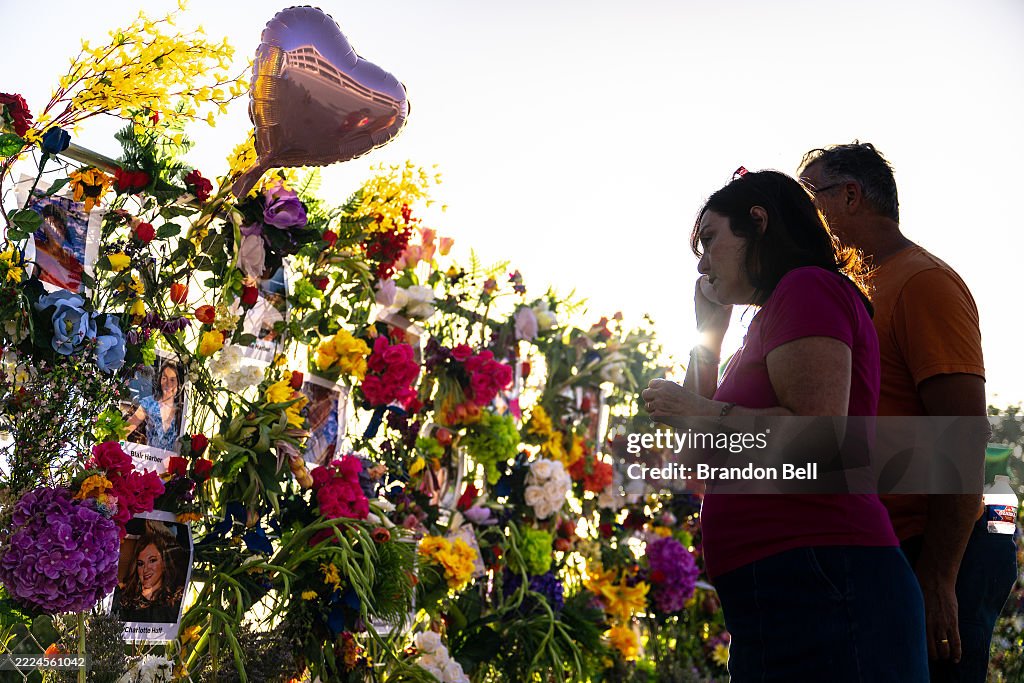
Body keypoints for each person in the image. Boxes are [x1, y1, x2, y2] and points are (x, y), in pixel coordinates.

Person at [641, 169, 928, 681]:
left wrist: (700, 409)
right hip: (776, 591)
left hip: (825, 579)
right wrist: (708, 336)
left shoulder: (808, 288)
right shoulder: (766, 322)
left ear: (758, 222)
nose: (703, 263)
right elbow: (695, 461)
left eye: (709, 240)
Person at [799, 142, 1016, 682]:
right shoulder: (858, 289)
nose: (798, 216)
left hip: (952, 540)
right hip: (899, 542)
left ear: (850, 197)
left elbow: (967, 435)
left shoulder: (922, 281)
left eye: (807, 198)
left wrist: (940, 576)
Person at [112, 526, 187, 623]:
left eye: (152, 560)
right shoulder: (122, 600)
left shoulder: (176, 602)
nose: (145, 569)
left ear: (164, 563)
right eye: (140, 564)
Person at [125, 361, 184, 451]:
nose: (168, 383)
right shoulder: (149, 403)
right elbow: (124, 430)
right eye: (164, 378)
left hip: (172, 463)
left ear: (178, 384)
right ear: (160, 380)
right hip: (149, 460)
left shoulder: (182, 411)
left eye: (172, 380)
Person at [33, 202, 84, 291]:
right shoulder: (35, 247)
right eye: (49, 227)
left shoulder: (74, 264)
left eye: (59, 227)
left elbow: (76, 290)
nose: (54, 231)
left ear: (65, 231)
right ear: (44, 229)